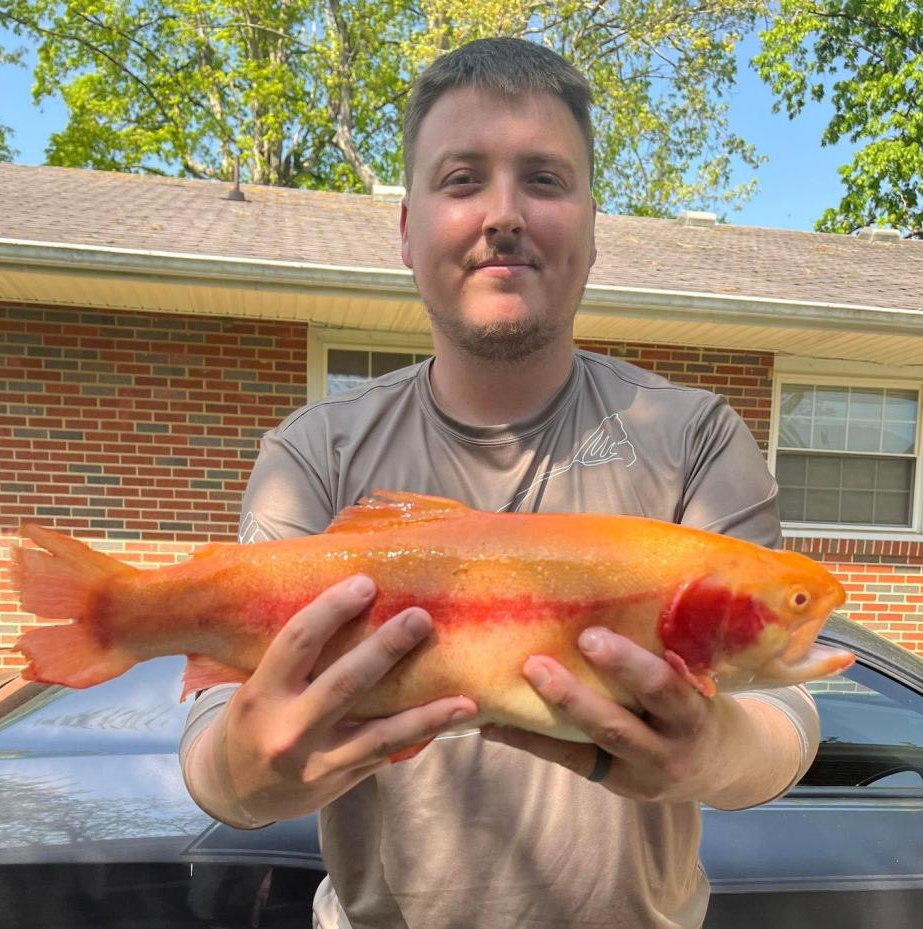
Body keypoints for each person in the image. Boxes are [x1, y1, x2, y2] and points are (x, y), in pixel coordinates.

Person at [180, 36, 819, 929]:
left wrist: (707, 754)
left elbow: (786, 721)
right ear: (407, 229)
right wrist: (248, 771)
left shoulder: (695, 437)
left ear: (594, 230)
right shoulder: (313, 453)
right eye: (462, 178)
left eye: (546, 179)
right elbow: (216, 753)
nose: (504, 213)